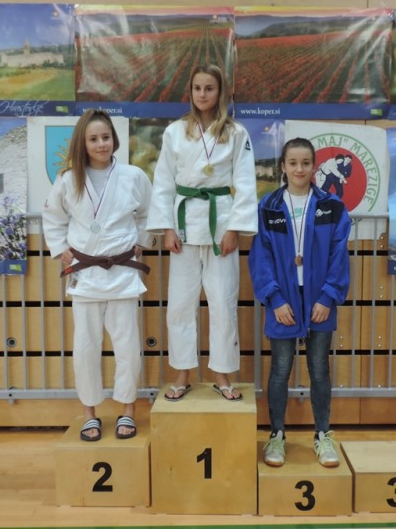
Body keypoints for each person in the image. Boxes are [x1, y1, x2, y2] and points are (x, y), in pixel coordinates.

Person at [147, 64, 257, 402]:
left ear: (220, 92)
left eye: (209, 88)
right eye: (197, 88)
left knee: (223, 303)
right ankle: (182, 373)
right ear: (191, 91)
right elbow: (163, 182)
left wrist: (235, 229)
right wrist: (167, 227)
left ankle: (223, 374)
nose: (202, 94)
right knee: (180, 305)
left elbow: (246, 183)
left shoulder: (236, 133)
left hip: (220, 224)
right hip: (183, 226)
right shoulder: (175, 132)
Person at [42, 109, 152, 442]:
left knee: (127, 346)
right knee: (85, 347)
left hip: (122, 271)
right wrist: (60, 247)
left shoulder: (133, 176)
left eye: (106, 137)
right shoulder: (68, 179)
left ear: (114, 139)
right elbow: (53, 217)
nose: (101, 144)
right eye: (93, 139)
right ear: (83, 143)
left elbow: (147, 213)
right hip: (86, 273)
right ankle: (89, 412)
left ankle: (127, 409)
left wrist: (141, 241)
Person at [248, 137, 351, 467]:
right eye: (292, 163)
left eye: (306, 163)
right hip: (283, 301)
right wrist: (275, 299)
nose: (299, 169)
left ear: (314, 166)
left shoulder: (331, 207)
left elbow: (339, 255)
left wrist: (328, 297)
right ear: (283, 166)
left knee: (319, 369)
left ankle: (323, 435)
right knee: (280, 369)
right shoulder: (268, 207)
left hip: (319, 299)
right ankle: (276, 435)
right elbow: (260, 257)